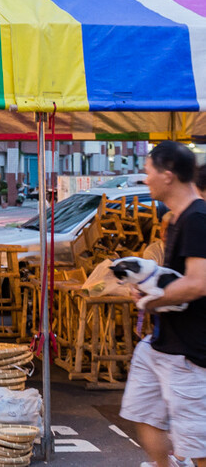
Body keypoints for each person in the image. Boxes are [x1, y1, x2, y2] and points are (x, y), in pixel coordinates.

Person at [119, 141, 206, 467]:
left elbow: (198, 282)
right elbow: (174, 278)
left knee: (197, 444)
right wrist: (147, 291)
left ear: (168, 175)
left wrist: (150, 302)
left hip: (190, 353)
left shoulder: (198, 219)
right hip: (160, 345)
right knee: (143, 413)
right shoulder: (177, 219)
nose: (146, 178)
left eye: (149, 171)